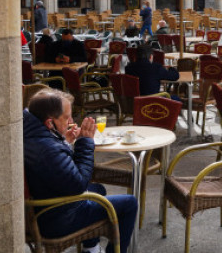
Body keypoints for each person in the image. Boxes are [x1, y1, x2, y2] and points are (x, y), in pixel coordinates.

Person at [23, 89, 137, 253]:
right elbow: (78, 184)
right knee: (130, 203)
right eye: (65, 117)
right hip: (57, 219)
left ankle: (91, 248)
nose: (70, 121)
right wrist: (85, 143)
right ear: (49, 123)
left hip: (42, 208)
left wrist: (65, 142)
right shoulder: (48, 150)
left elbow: (55, 168)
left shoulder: (30, 132)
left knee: (98, 189)